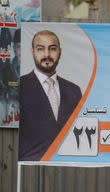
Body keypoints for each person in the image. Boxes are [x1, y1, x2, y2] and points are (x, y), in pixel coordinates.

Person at [19, 30, 82, 161]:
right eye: (40, 49)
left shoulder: (74, 91)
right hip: (31, 164)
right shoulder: (20, 86)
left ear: (60, 52)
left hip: (67, 165)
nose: (46, 55)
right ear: (32, 52)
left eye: (52, 49)